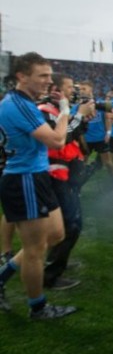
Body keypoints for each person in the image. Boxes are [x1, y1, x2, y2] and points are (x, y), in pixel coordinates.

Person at [0, 52, 76, 319]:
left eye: (48, 74)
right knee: (35, 251)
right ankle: (38, 307)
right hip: (24, 179)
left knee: (56, 234)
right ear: (22, 76)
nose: (48, 80)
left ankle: (2, 277)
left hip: (36, 176)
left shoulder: (23, 102)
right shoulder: (17, 104)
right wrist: (66, 110)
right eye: (42, 75)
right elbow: (57, 141)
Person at [38, 73, 95, 290]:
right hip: (53, 175)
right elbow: (59, 141)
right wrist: (78, 117)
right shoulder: (44, 111)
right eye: (70, 87)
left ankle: (56, 262)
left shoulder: (59, 110)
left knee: (67, 223)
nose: (74, 90)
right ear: (57, 90)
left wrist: (82, 120)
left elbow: (74, 133)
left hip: (64, 173)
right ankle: (51, 274)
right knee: (71, 224)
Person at [78, 80, 112, 176]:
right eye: (80, 89)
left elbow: (107, 118)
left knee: (108, 163)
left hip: (100, 137)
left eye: (84, 89)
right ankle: (78, 186)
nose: (81, 91)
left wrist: (108, 132)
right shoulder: (79, 106)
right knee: (82, 162)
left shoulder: (100, 103)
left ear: (91, 89)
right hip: (85, 139)